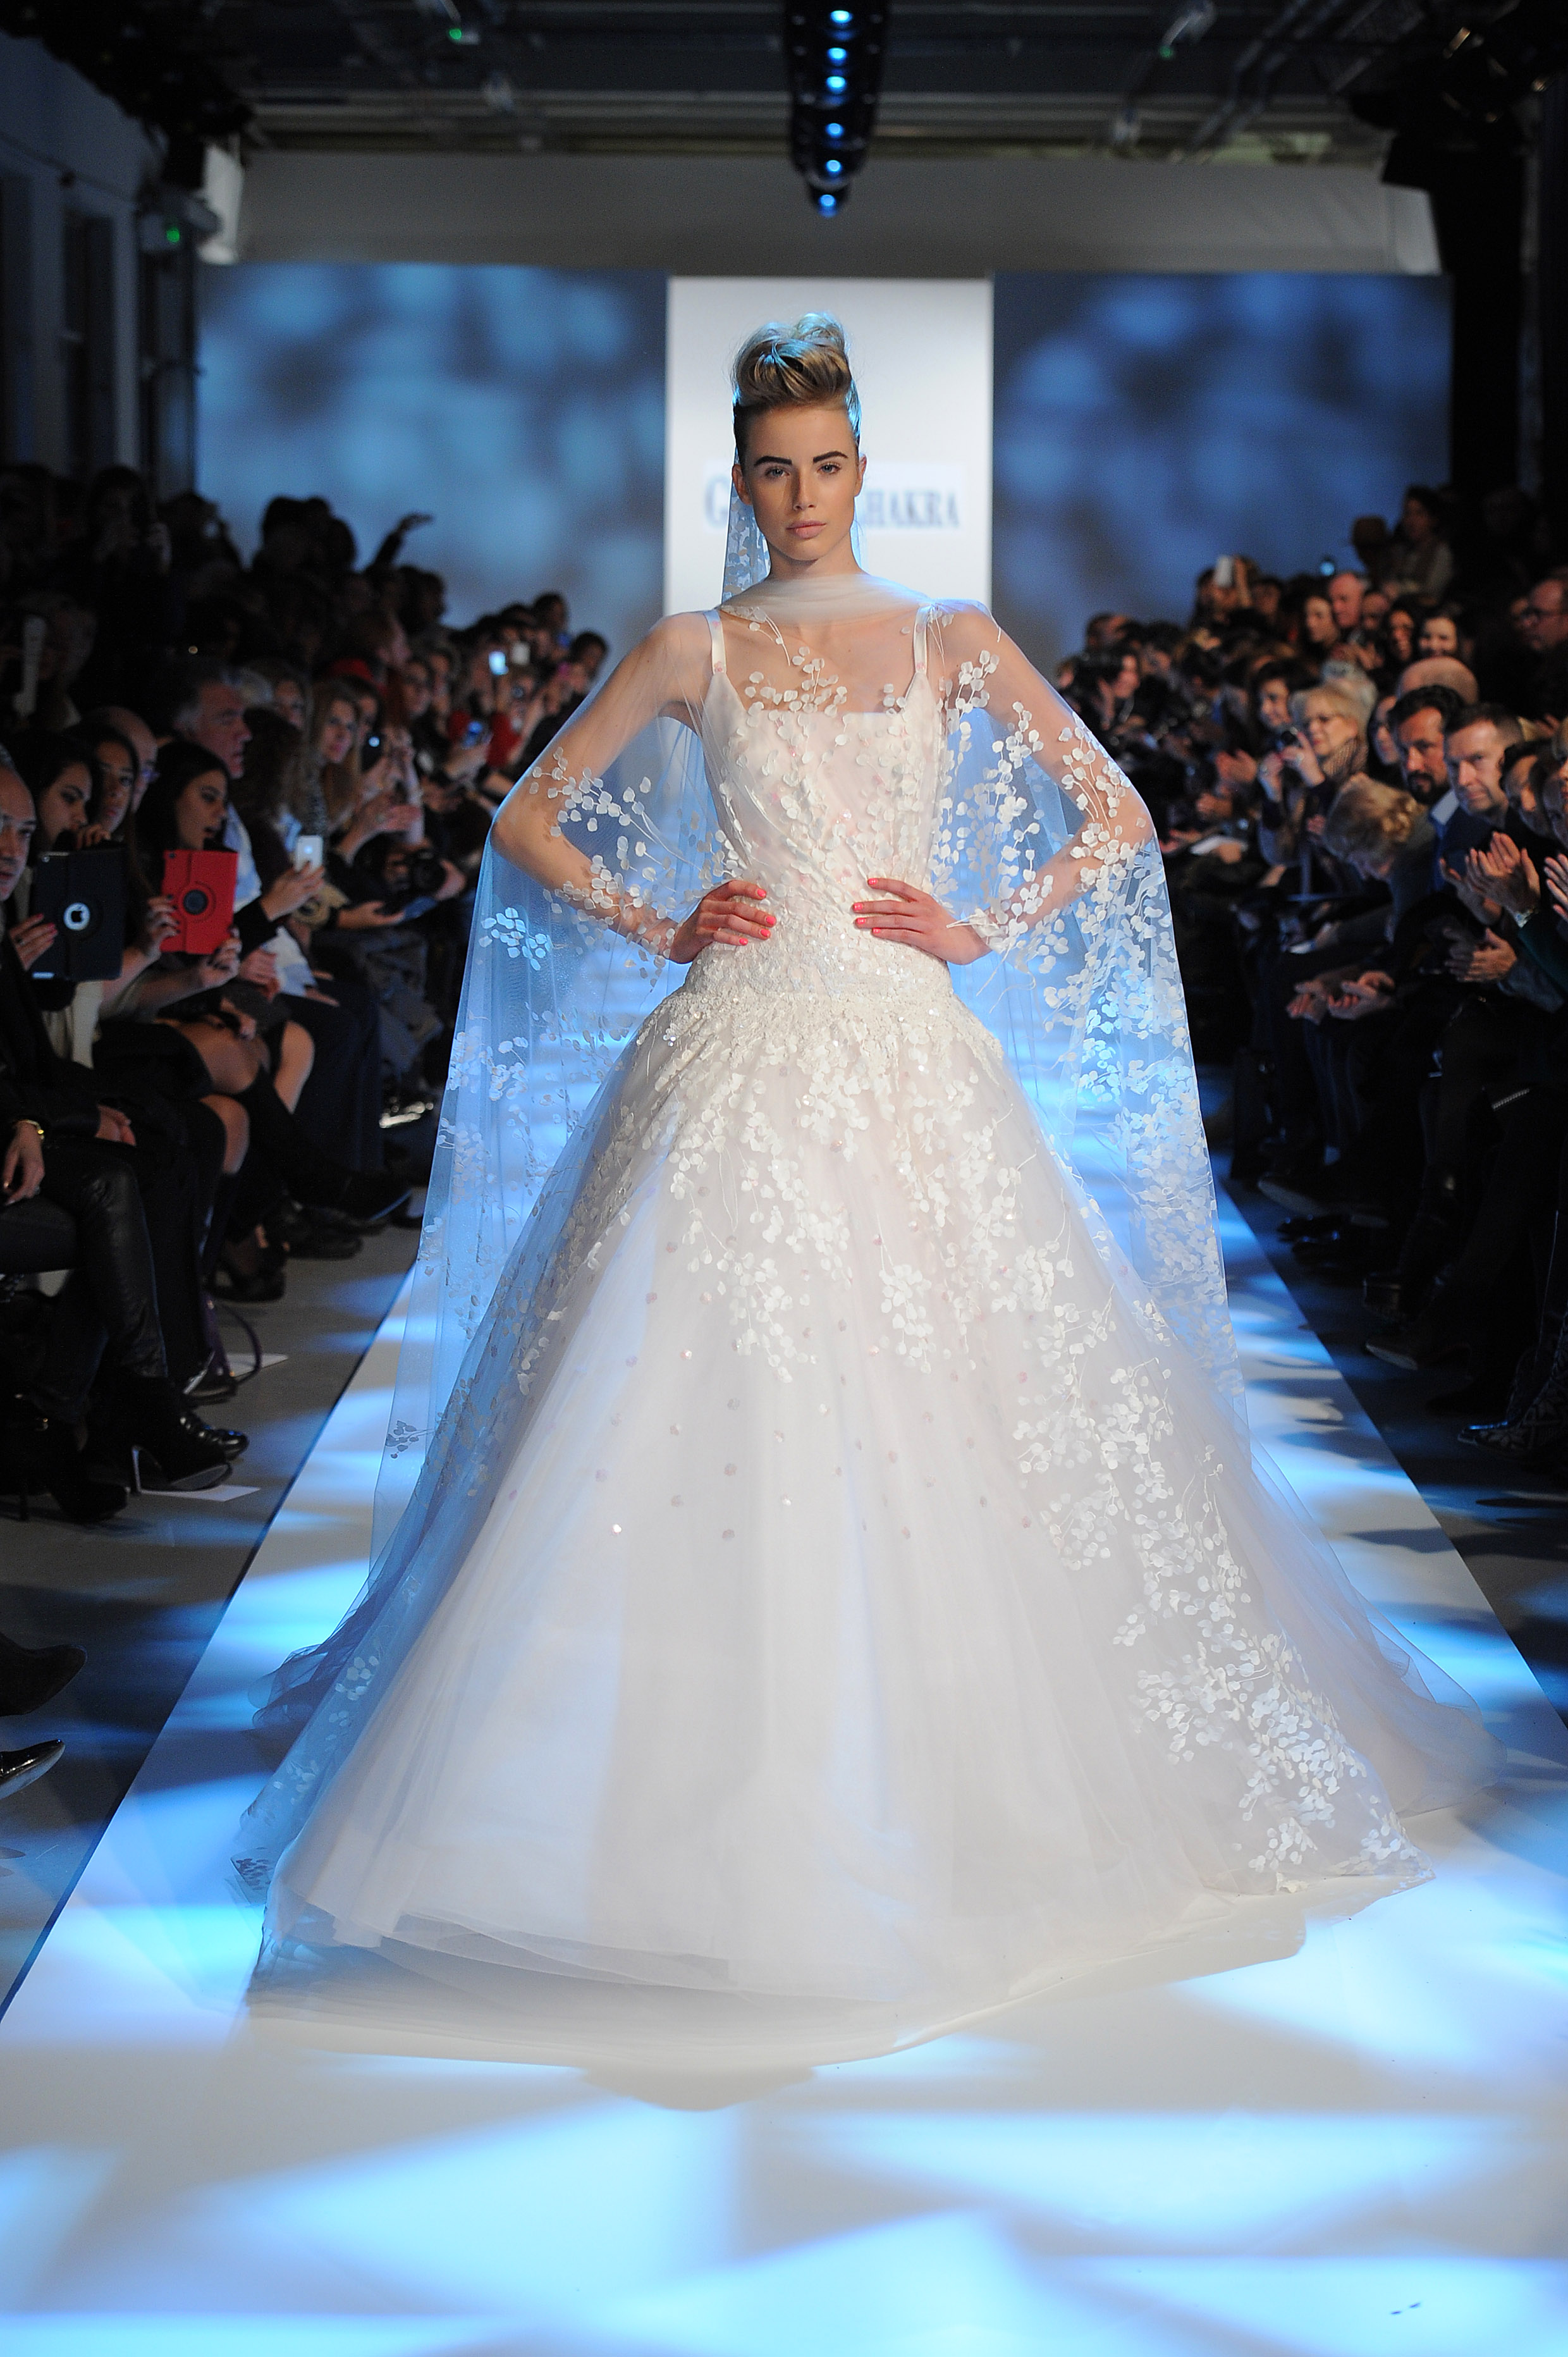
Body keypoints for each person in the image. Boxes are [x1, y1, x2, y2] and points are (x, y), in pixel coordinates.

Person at [235, 316, 1498, 2059]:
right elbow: (528, 817)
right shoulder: (691, 647)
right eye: (776, 468)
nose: (804, 494)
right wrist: (654, 920)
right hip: (735, 1037)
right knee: (670, 1388)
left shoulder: (948, 634)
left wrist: (982, 923)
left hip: (906, 1042)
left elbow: (1117, 813)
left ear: (861, 469)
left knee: (952, 1392)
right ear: (741, 480)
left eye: (826, 464)